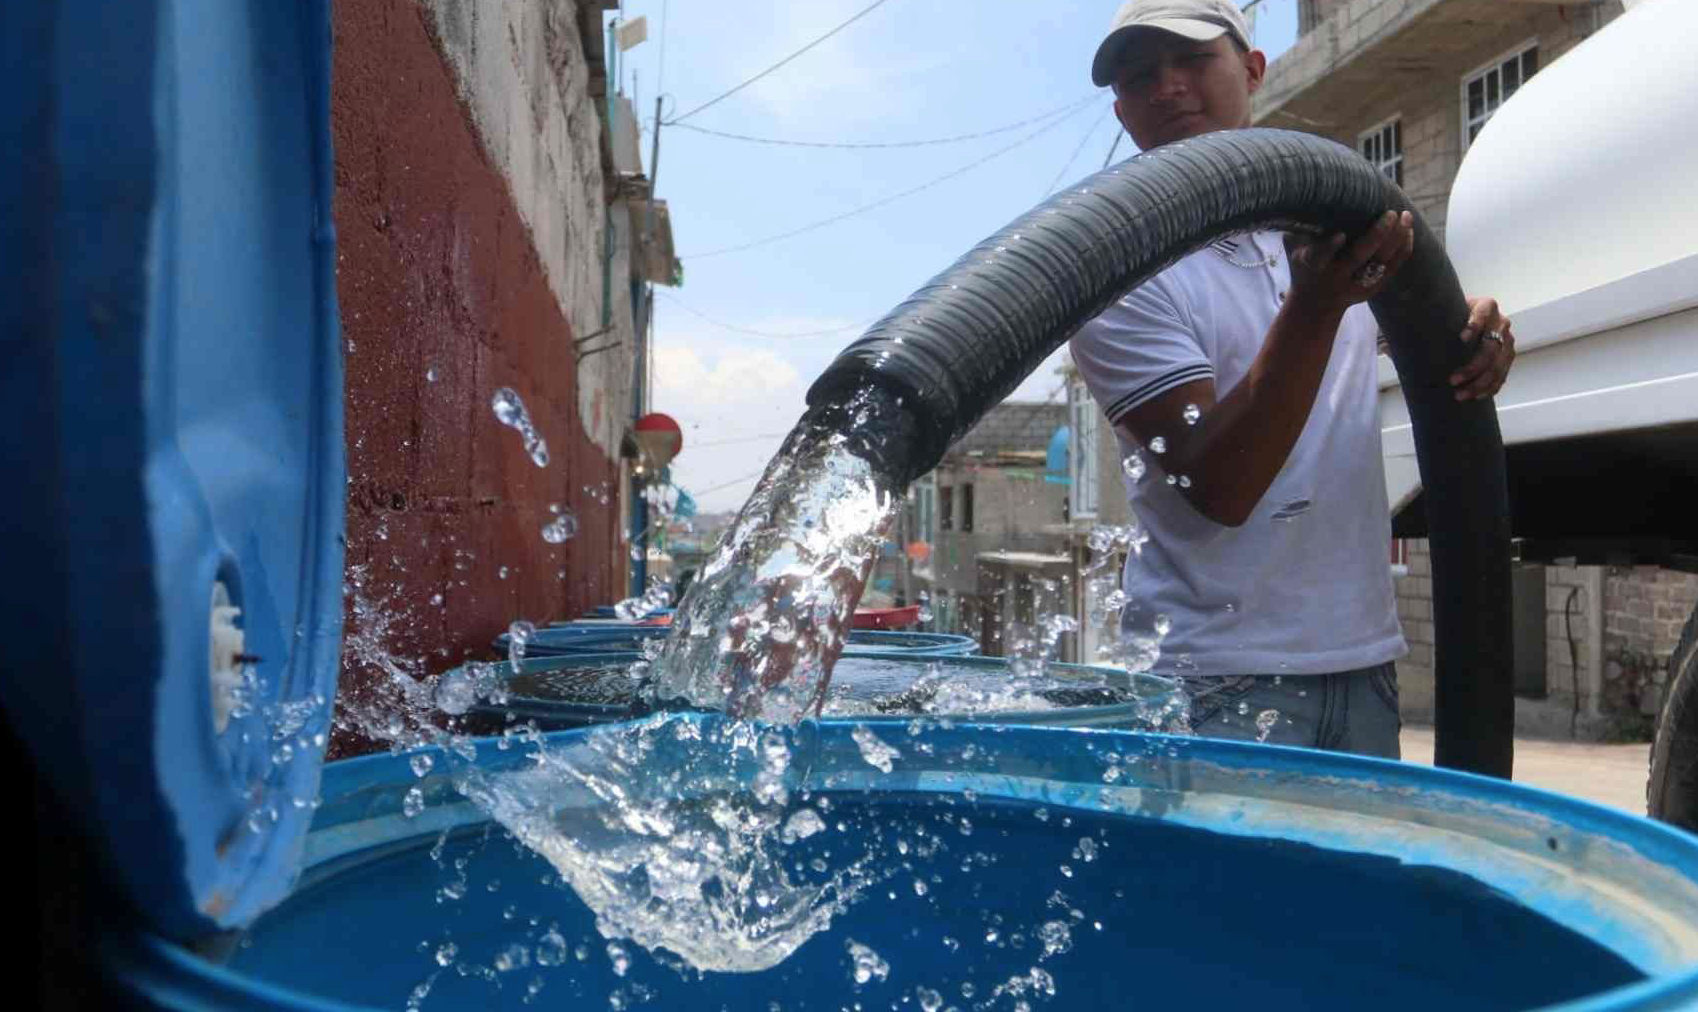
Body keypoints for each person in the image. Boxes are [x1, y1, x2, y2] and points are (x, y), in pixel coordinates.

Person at [1069, 0, 1517, 758]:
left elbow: (1412, 337)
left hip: (1363, 664)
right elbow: (1220, 486)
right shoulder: (1118, 272)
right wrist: (1313, 309)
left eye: (1191, 61)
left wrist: (1473, 335)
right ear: (1121, 110)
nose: (1167, 87)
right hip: (1213, 681)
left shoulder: (1326, 226)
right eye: (1141, 77)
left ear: (1251, 70)